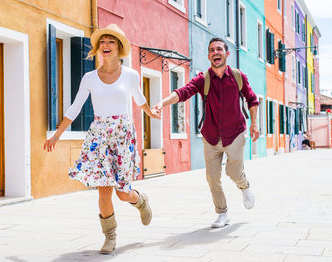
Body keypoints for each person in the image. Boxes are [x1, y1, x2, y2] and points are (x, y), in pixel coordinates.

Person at [44, 24, 160, 254]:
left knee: (122, 192)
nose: (106, 46)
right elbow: (75, 107)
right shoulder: (89, 78)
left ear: (119, 48)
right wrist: (57, 134)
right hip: (99, 136)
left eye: (111, 42)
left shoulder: (131, 75)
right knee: (104, 189)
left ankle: (141, 200)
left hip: (123, 135)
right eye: (103, 42)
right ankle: (110, 236)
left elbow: (140, 99)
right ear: (98, 48)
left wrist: (150, 113)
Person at [153, 38, 259, 228]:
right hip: (211, 136)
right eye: (212, 50)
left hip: (235, 133)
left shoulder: (237, 76)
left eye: (219, 49)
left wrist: (255, 124)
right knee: (212, 177)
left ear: (226, 54)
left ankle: (244, 186)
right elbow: (184, 92)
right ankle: (222, 213)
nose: (215, 52)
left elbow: (252, 100)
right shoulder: (203, 79)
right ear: (209, 55)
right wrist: (162, 103)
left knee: (233, 171)